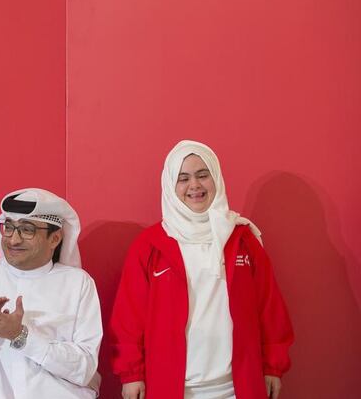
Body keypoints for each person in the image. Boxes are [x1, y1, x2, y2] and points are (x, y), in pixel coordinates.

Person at [111, 140, 294, 399]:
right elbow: (129, 317)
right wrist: (131, 374)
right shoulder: (150, 245)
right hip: (172, 387)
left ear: (216, 178)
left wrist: (273, 366)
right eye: (183, 178)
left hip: (237, 385)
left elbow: (269, 308)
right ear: (170, 186)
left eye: (202, 175)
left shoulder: (243, 239)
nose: (194, 185)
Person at [0, 188, 102, 398]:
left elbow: (85, 368)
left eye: (27, 230)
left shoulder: (78, 283)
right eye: (8, 227)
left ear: (55, 238)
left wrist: (21, 336)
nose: (13, 240)